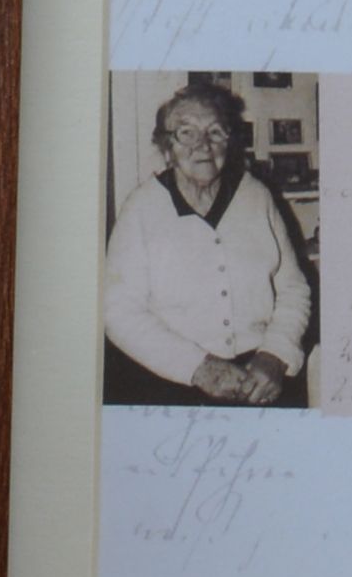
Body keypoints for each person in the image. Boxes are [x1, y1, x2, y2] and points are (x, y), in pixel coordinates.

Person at [102, 78, 312, 406]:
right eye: (186, 132)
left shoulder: (256, 196)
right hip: (175, 384)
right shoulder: (141, 209)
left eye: (215, 131)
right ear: (166, 146)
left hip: (261, 379)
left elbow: (293, 289)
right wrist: (198, 368)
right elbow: (118, 311)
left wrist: (276, 354)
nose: (203, 145)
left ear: (229, 141)